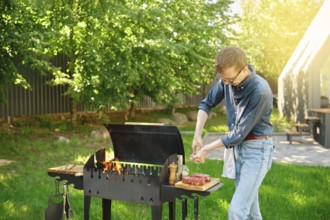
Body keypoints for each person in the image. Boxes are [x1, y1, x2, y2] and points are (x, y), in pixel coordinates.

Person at [191, 45, 274, 220]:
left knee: (236, 211)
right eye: (223, 79)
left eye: (229, 79)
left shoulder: (260, 92)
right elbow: (206, 104)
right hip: (239, 150)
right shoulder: (227, 80)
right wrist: (197, 134)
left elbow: (238, 134)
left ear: (244, 69)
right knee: (251, 212)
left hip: (257, 152)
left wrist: (206, 149)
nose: (226, 83)